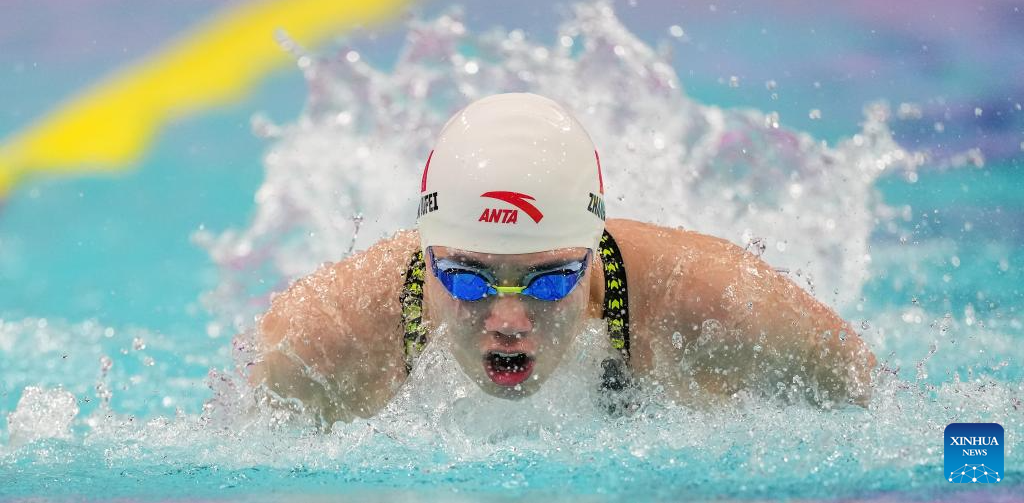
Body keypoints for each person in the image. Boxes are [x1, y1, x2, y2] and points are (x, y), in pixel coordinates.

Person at [250, 93, 876, 424]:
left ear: (592, 256)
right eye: (468, 279)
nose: (509, 320)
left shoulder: (717, 305)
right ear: (427, 252)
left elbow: (878, 412)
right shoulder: (323, 342)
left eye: (549, 280)